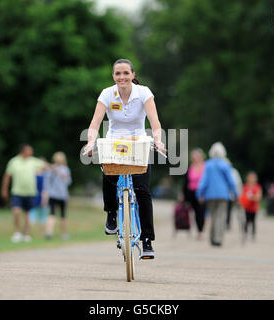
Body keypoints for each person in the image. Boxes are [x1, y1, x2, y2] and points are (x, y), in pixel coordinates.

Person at [84, 58, 166, 259]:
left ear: (133, 75)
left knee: (143, 191)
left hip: (138, 141)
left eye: (125, 73)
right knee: (108, 175)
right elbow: (95, 124)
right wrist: (90, 142)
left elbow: (155, 122)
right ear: (113, 76)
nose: (122, 77)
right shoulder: (106, 94)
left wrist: (158, 141)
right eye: (118, 73)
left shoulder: (143, 93)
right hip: (114, 142)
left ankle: (147, 240)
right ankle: (111, 214)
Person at [1, 144, 47, 243]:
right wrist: (4, 189)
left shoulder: (33, 161)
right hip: (17, 191)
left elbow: (45, 166)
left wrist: (58, 171)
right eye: (29, 150)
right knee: (16, 212)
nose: (31, 152)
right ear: (23, 151)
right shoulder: (14, 162)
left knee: (27, 214)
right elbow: (7, 176)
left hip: (30, 192)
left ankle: (26, 234)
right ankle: (17, 232)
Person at [196, 142, 238, 247]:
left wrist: (199, 193)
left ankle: (212, 238)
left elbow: (204, 180)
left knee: (213, 216)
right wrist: (235, 193)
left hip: (210, 195)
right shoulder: (225, 165)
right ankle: (218, 238)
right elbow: (231, 181)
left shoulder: (208, 164)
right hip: (223, 195)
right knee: (221, 216)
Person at [44, 151, 72, 240]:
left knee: (52, 214)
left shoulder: (53, 169)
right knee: (62, 215)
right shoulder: (64, 169)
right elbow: (68, 182)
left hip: (55, 195)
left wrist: (46, 192)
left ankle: (49, 232)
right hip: (60, 195)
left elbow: (47, 183)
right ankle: (63, 234)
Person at [183, 148, 206, 240]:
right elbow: (186, 181)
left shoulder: (205, 167)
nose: (194, 158)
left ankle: (200, 230)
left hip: (201, 193)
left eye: (196, 156)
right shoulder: (190, 167)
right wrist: (183, 194)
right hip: (191, 193)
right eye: (193, 157)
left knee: (200, 212)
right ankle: (195, 229)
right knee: (194, 212)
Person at [239, 171, 262, 241]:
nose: (251, 179)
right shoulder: (245, 187)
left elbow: (258, 197)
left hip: (254, 208)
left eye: (253, 178)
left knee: (253, 222)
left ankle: (253, 234)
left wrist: (252, 197)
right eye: (250, 177)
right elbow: (242, 196)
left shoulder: (257, 187)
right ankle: (245, 233)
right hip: (247, 208)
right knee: (246, 221)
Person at [28, 167, 49, 232]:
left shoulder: (32, 177)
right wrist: (45, 200)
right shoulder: (45, 177)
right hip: (41, 198)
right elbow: (45, 190)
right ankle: (41, 232)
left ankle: (29, 232)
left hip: (33, 197)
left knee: (32, 216)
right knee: (43, 217)